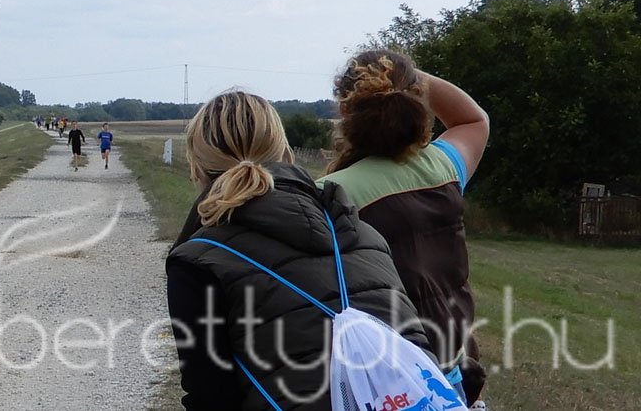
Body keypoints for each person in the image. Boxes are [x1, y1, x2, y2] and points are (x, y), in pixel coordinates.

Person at [166, 90, 435, 410]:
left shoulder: (199, 261)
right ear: (286, 154)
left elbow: (211, 398)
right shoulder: (367, 237)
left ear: (197, 169)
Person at [316, 49, 490, 408]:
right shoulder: (444, 168)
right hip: (448, 371)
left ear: (345, 113)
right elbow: (473, 119)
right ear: (417, 102)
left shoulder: (330, 195)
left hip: (384, 384)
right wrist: (406, 77)